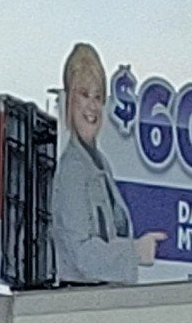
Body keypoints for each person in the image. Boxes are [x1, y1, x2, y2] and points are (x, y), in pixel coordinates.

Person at [47, 41, 162, 285]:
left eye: (98, 96)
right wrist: (135, 252)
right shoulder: (73, 171)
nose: (92, 105)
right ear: (69, 100)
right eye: (84, 94)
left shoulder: (101, 166)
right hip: (82, 306)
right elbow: (81, 254)